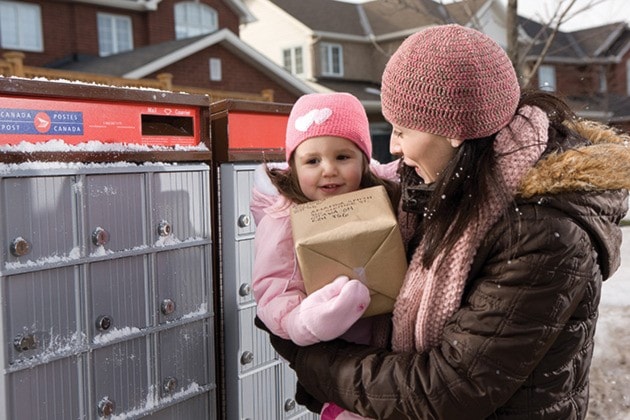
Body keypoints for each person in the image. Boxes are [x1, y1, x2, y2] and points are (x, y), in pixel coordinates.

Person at [254, 24, 630, 419]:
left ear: (453, 132)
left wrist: (308, 353)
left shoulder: (542, 232)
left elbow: (446, 390)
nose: (394, 146)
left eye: (401, 129)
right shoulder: (439, 184)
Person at [250, 92, 399, 419]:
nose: (329, 170)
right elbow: (273, 288)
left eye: (343, 157)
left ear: (364, 160)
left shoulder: (380, 195)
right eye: (312, 161)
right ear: (293, 165)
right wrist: (302, 322)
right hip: (334, 361)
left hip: (386, 353)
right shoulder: (283, 219)